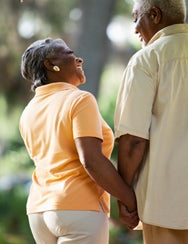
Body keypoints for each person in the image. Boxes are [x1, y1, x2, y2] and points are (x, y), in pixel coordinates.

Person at [114, 0, 188, 243]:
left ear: (155, 15)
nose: (135, 29)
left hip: (169, 206)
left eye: (137, 18)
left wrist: (125, 197)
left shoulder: (147, 60)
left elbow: (133, 140)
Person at [18, 38, 138, 243]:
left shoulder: (29, 111)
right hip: (78, 208)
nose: (79, 59)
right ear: (50, 64)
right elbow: (91, 160)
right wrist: (130, 199)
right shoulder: (80, 99)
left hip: (39, 211)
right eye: (70, 53)